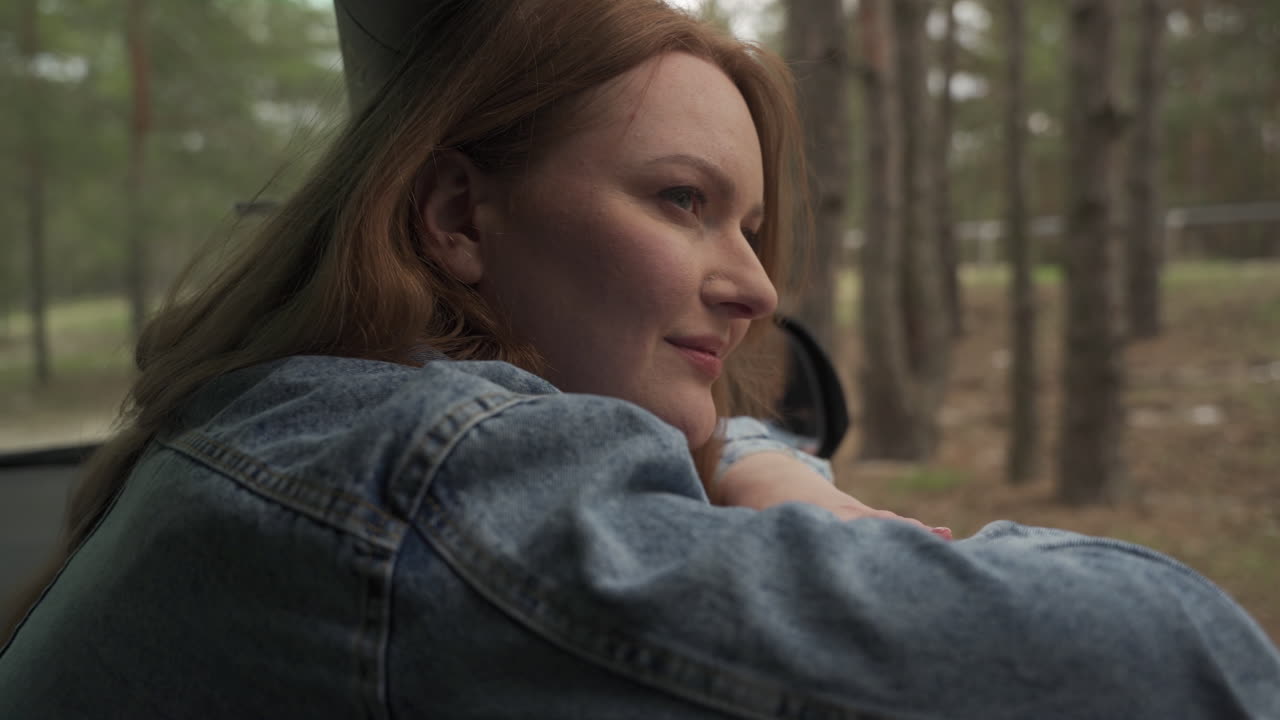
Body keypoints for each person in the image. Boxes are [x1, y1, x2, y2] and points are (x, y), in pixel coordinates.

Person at [2, 0, 1277, 716]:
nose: (759, 284)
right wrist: (812, 505)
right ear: (455, 218)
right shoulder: (415, 474)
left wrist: (747, 457)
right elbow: (1171, 663)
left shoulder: (295, 427)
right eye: (681, 201)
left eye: (752, 224)